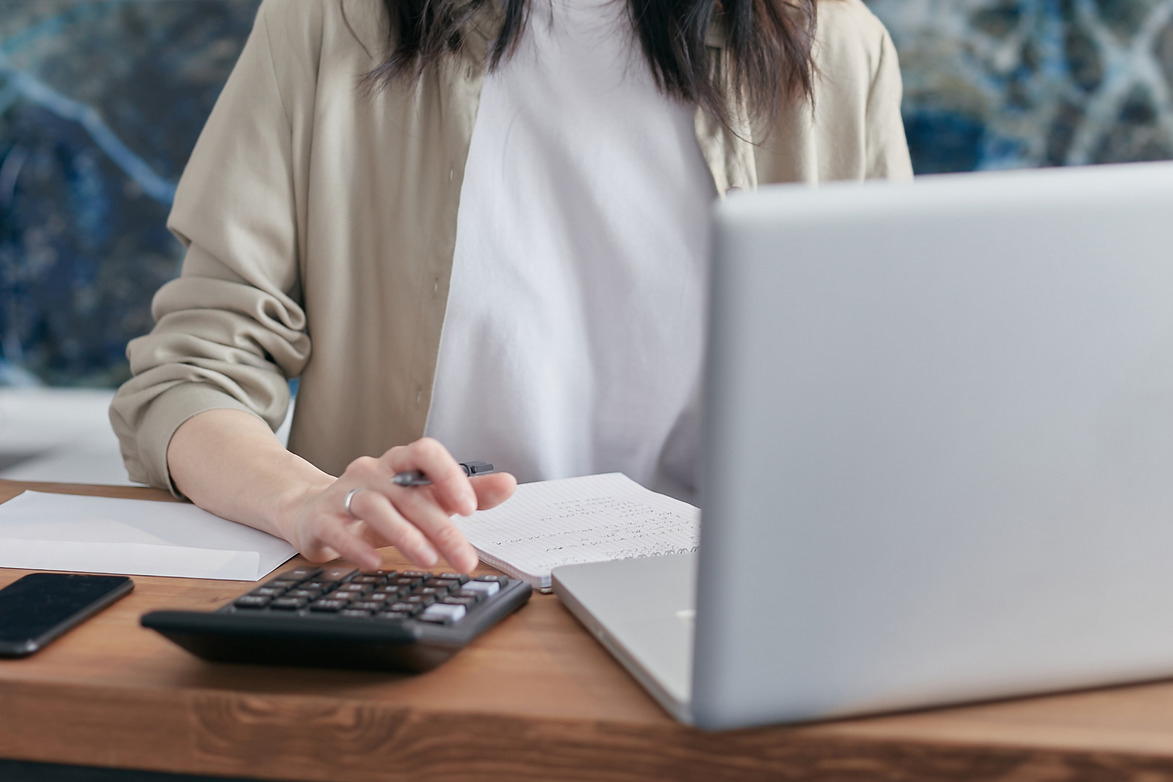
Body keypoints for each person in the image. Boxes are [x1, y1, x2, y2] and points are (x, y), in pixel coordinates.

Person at [110, 0, 912, 574]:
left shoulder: (834, 48)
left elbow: (888, 400)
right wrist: (307, 500)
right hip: (414, 586)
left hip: (710, 601)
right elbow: (187, 380)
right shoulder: (330, 23)